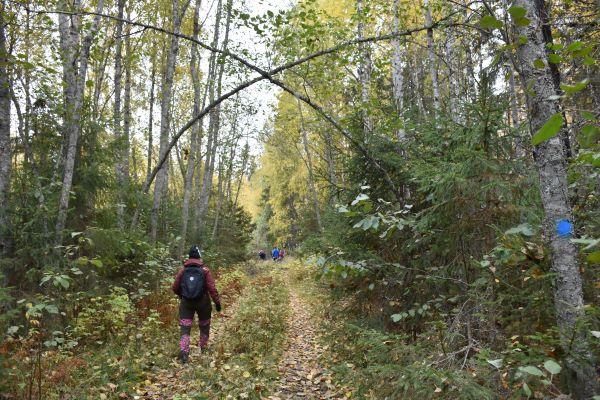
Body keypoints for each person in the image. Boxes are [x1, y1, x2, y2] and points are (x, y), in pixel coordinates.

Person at [172, 245, 221, 364]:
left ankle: (184, 353)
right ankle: (203, 349)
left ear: (189, 257)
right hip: (203, 302)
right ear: (199, 257)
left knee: (185, 327)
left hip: (186, 303)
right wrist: (217, 303)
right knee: (204, 325)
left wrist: (182, 295)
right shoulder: (205, 271)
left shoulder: (183, 270)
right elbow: (212, 289)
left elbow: (174, 287)